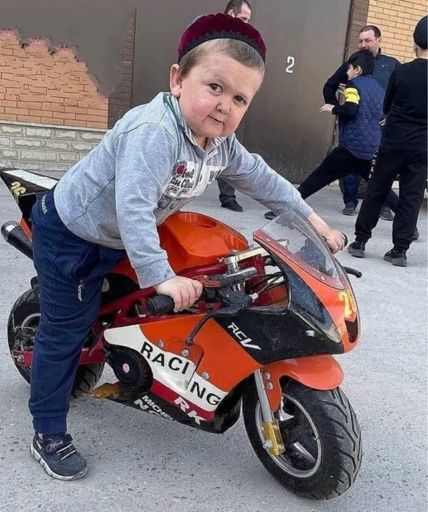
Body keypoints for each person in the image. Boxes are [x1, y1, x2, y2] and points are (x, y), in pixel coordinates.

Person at [28, 13, 346, 481]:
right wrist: (159, 275)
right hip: (74, 236)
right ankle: (48, 433)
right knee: (65, 331)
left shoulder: (219, 143)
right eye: (215, 87)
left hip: (122, 235)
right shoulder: (154, 132)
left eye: (239, 98)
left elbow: (262, 178)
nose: (224, 106)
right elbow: (133, 208)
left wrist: (315, 223)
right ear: (177, 79)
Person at [264, 25, 399, 221]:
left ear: (378, 41)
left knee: (318, 178)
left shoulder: (379, 71)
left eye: (367, 41)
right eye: (360, 41)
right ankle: (406, 223)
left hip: (354, 145)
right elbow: (332, 87)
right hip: (369, 146)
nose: (363, 45)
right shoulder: (374, 85)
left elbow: (354, 108)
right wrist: (340, 108)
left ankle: (285, 209)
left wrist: (335, 109)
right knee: (381, 185)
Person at [348, 16, 427, 267]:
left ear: (414, 42)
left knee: (377, 188)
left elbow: (386, 104)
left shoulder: (401, 71)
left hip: (393, 141)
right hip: (422, 145)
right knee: (411, 196)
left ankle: (360, 241)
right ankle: (400, 250)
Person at [217, 0, 252, 212]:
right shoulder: (208, 32)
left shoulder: (240, 41)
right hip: (204, 101)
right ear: (231, 13)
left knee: (224, 146)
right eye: (244, 19)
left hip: (227, 100)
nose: (247, 24)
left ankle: (228, 196)